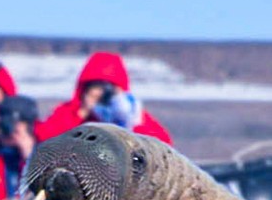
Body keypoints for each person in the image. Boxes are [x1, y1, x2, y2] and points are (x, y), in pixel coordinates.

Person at [36, 51, 173, 144]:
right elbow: (44, 138)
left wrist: (131, 123)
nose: (102, 94)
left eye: (110, 89)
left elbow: (163, 145)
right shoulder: (67, 113)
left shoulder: (132, 116)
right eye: (97, 87)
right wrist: (82, 114)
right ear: (85, 89)